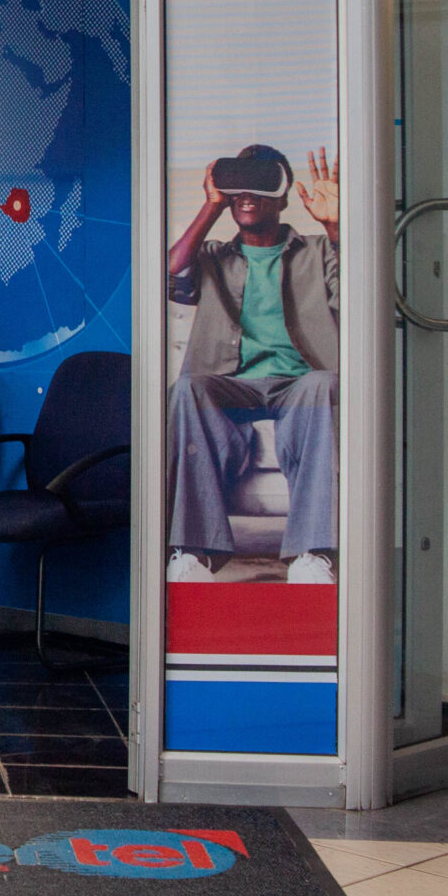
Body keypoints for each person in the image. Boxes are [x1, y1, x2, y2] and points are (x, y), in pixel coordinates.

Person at [166, 144, 339, 585]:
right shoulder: (213, 255)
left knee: (324, 383)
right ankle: (195, 553)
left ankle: (313, 553)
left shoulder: (318, 251)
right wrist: (212, 204)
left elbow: (364, 293)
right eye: (238, 183)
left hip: (297, 384)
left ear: (283, 197)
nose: (247, 193)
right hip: (231, 387)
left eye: (261, 182)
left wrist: (335, 227)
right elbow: (170, 273)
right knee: (187, 388)